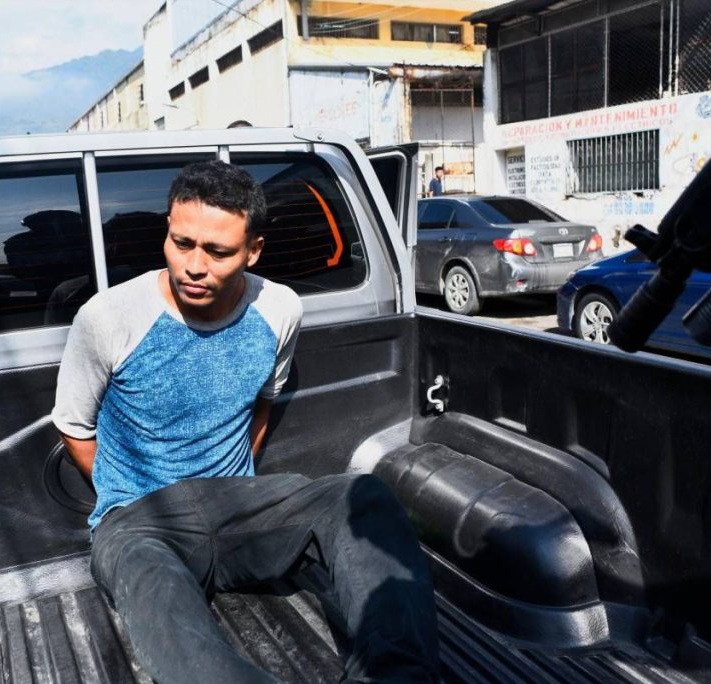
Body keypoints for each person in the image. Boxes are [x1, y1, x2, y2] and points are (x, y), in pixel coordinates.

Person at [52, 160, 439, 683]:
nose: (194, 265)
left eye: (218, 251)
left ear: (253, 250)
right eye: (181, 243)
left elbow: (262, 403)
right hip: (139, 520)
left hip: (238, 505)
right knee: (155, 591)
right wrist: (130, 493)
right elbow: (75, 428)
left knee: (361, 496)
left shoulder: (279, 309)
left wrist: (235, 478)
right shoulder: (107, 317)